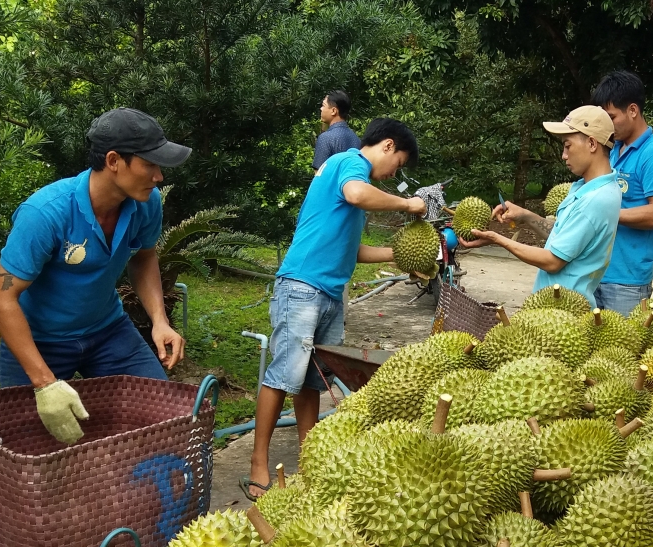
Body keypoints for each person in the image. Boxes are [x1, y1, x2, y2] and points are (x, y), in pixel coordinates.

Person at [244, 118, 425, 499]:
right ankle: (258, 462)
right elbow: (358, 194)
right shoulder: (350, 163)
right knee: (284, 374)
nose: (396, 173)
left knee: (312, 380)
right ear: (388, 145)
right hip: (302, 286)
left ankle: (310, 460)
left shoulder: (357, 185)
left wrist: (404, 255)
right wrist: (409, 204)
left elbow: (354, 250)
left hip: (329, 292)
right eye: (400, 163)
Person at [0, 107, 190, 445]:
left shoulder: (146, 202)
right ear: (114, 161)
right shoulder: (46, 213)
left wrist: (159, 320)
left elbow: (144, 257)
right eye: (149, 164)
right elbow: (1, 298)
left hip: (107, 331)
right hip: (40, 341)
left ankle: (131, 494)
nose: (159, 177)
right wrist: (44, 383)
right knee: (33, 451)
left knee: (160, 417)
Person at [460, 106, 621, 305]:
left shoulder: (597, 199)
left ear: (591, 143)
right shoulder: (591, 188)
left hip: (564, 314)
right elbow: (565, 239)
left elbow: (553, 261)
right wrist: (526, 216)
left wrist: (497, 239)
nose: (563, 155)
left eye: (567, 145)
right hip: (555, 306)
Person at [591, 71, 653, 315]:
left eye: (611, 117)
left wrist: (606, 213)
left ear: (632, 110)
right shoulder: (614, 149)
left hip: (627, 283)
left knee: (620, 352)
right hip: (596, 271)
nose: (606, 125)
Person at [313, 90, 362, 174]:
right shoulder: (356, 139)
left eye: (323, 105)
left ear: (333, 111)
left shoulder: (325, 138)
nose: (321, 109)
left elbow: (319, 176)